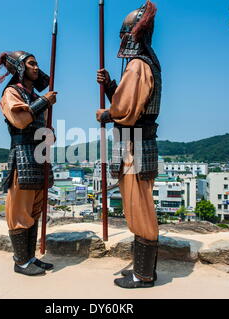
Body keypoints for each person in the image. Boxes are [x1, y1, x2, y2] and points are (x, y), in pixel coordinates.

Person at [96, 0, 162, 288]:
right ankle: (141, 269)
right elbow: (131, 101)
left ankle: (144, 275)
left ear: (130, 33)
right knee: (137, 208)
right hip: (135, 144)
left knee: (140, 210)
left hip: (135, 146)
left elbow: (127, 111)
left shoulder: (137, 65)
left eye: (123, 32)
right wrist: (111, 86)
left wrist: (106, 113)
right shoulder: (144, 63)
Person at [0, 51, 57, 276]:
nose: (36, 67)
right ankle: (21, 262)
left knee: (34, 209)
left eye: (36, 63)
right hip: (22, 154)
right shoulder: (12, 92)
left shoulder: (32, 94)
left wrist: (49, 133)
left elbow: (42, 128)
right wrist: (44, 102)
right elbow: (21, 120)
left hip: (39, 155)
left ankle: (30, 257)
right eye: (31, 63)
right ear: (20, 67)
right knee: (20, 210)